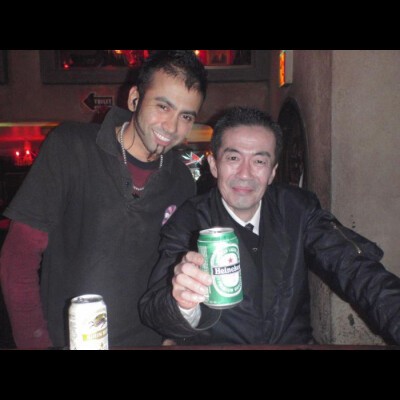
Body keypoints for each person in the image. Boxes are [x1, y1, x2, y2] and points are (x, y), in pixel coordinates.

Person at [139, 106, 400, 345]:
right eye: (233, 158)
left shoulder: (297, 209)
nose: (245, 174)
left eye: (259, 161)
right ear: (214, 165)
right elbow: (154, 309)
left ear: (273, 172)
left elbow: (354, 267)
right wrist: (183, 304)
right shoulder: (190, 220)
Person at [0, 50, 207, 349]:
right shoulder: (71, 147)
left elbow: (172, 269)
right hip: (69, 341)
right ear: (134, 99)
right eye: (163, 106)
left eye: (186, 116)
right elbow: (17, 259)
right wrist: (37, 344)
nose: (172, 127)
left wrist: (170, 335)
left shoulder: (183, 181)